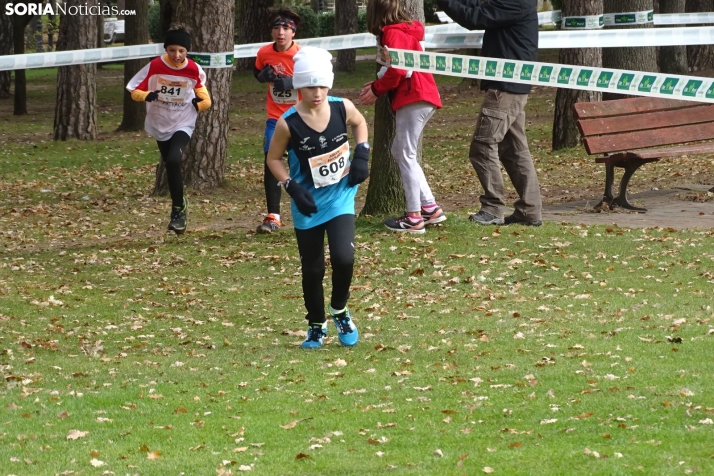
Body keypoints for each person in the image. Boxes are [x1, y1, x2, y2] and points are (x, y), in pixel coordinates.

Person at [266, 47, 370, 349]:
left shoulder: (342, 107)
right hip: (307, 203)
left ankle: (340, 309)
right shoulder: (288, 122)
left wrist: (362, 153)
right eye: (311, 86)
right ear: (299, 86)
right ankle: (315, 324)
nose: (318, 92)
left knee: (343, 258)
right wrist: (291, 186)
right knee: (312, 268)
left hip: (340, 197)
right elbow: (274, 159)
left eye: (323, 85)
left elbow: (360, 123)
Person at [437, 0, 543, 226]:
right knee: (514, 150)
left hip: (505, 88)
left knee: (483, 146)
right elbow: (476, 5)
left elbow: (473, 18)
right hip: (512, 85)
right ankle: (530, 210)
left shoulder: (516, 2)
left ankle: (493, 207)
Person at [359, 0, 445, 234]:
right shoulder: (407, 31)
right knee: (400, 151)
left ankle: (414, 216)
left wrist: (377, 89)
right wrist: (378, 82)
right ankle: (429, 207)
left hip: (413, 96)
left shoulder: (393, 33)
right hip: (421, 95)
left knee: (405, 153)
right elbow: (397, 66)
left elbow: (400, 69)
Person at [127, 26, 212, 234]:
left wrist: (198, 104)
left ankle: (177, 212)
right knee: (169, 164)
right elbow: (133, 89)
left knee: (174, 160)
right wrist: (145, 96)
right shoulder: (155, 65)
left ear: (187, 51)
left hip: (183, 121)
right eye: (172, 50)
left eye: (181, 51)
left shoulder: (193, 69)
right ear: (166, 49)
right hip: (160, 121)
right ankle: (179, 202)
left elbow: (206, 99)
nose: (177, 55)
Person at [253, 7, 302, 234]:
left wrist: (292, 82)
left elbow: (316, 82)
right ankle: (273, 215)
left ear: (293, 32)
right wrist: (262, 76)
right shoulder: (264, 53)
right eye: (276, 28)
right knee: (270, 161)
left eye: (285, 28)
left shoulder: (301, 55)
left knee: (302, 163)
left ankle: (310, 208)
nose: (280, 32)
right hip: (275, 117)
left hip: (301, 117)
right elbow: (257, 71)